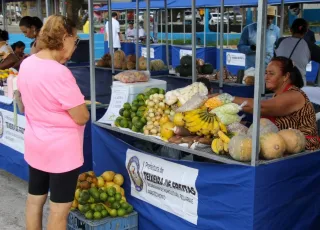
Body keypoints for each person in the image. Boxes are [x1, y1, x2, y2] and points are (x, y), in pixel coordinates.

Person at [17, 15, 89, 230]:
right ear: (65, 38)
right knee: (59, 210)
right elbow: (81, 116)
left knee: (35, 199)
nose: (74, 47)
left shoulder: (28, 63)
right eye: (75, 41)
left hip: (36, 144)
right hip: (61, 152)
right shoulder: (59, 72)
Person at [228, 57, 319, 151]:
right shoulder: (277, 95)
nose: (266, 77)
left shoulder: (294, 95)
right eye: (266, 73)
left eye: (271, 74)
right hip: (279, 147)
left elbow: (260, 107)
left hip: (304, 151)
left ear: (286, 76)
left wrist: (226, 99)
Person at [274, 18, 320, 86]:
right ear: (306, 31)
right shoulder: (309, 46)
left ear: (291, 30)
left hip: (280, 82)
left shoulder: (280, 41)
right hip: (298, 85)